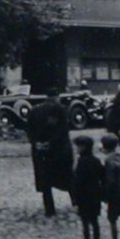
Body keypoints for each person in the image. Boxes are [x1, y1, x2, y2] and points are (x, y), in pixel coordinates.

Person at [26, 88, 73, 216]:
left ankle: (49, 209)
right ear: (57, 97)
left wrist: (36, 142)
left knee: (45, 180)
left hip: (39, 150)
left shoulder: (34, 110)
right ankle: (76, 203)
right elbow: (62, 130)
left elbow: (28, 129)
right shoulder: (61, 109)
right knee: (68, 177)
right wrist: (50, 142)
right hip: (59, 150)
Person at [70, 133, 105, 239]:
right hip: (95, 196)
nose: (77, 149)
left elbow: (78, 181)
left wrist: (75, 198)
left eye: (78, 146)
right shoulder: (96, 161)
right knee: (95, 223)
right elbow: (103, 176)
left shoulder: (81, 162)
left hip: (84, 197)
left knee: (85, 223)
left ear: (83, 147)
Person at [99, 132, 120, 239]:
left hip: (114, 195)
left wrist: (104, 195)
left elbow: (110, 180)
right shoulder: (119, 157)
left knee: (112, 220)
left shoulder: (109, 161)